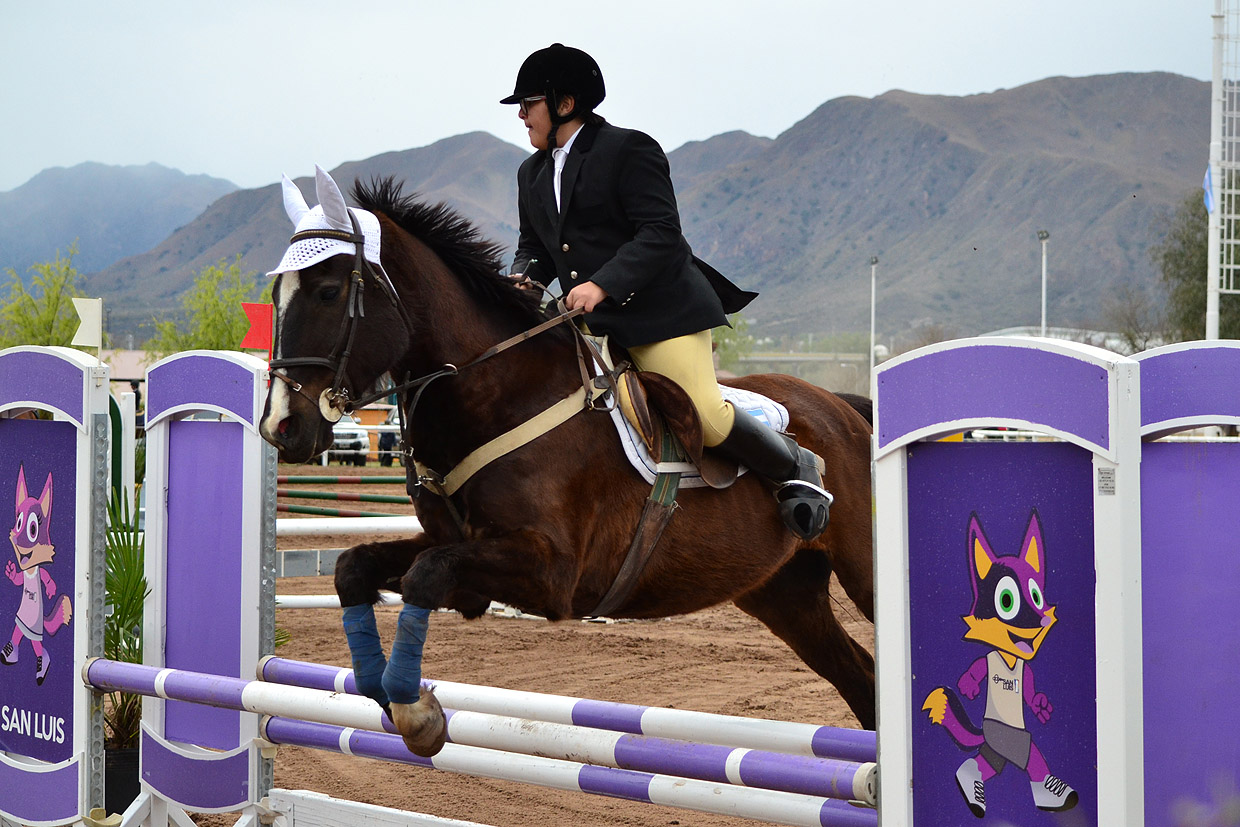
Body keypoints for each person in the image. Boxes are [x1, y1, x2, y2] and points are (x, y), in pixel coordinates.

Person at [501, 43, 833, 540]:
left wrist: (602, 284)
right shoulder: (531, 173)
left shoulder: (629, 149)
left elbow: (659, 232)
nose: (522, 115)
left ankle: (795, 462)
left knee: (702, 416)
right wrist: (522, 279)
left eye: (529, 103)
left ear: (564, 103)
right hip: (591, 323)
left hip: (660, 313)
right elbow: (537, 246)